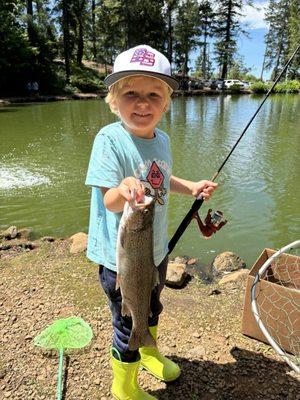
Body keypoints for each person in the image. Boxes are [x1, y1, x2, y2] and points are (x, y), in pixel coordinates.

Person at [85, 44, 218, 400]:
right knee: (128, 319)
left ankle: (148, 352)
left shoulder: (162, 139)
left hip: (156, 251)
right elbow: (108, 201)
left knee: (151, 307)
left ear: (166, 102)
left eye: (153, 95)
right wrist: (124, 189)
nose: (142, 103)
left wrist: (189, 187)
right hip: (122, 260)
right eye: (131, 93)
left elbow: (160, 178)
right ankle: (124, 385)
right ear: (114, 100)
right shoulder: (110, 140)